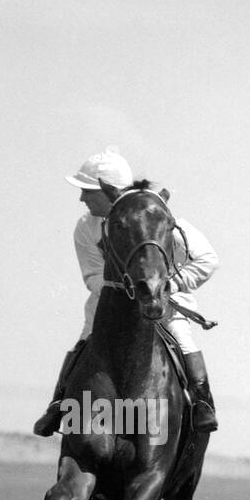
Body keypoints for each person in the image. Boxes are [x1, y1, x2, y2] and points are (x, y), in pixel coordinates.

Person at [33, 147, 219, 435]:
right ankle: (59, 403)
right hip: (108, 304)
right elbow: (93, 275)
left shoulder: (159, 219)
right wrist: (122, 291)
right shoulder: (85, 227)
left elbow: (208, 259)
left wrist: (173, 284)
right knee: (84, 342)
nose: (81, 197)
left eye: (87, 190)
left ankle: (202, 403)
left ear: (109, 191)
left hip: (163, 303)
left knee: (182, 338)